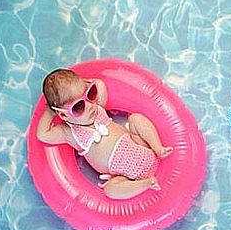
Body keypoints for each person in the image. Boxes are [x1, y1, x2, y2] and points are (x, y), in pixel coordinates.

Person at [36, 69, 173, 200]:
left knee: (136, 119)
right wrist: (49, 112)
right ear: (63, 114)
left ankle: (158, 148)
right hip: (125, 176)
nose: (90, 106)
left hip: (140, 145)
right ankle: (145, 184)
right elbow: (42, 134)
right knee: (110, 190)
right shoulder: (69, 133)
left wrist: (84, 86)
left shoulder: (99, 109)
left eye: (90, 94)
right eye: (79, 107)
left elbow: (100, 84)